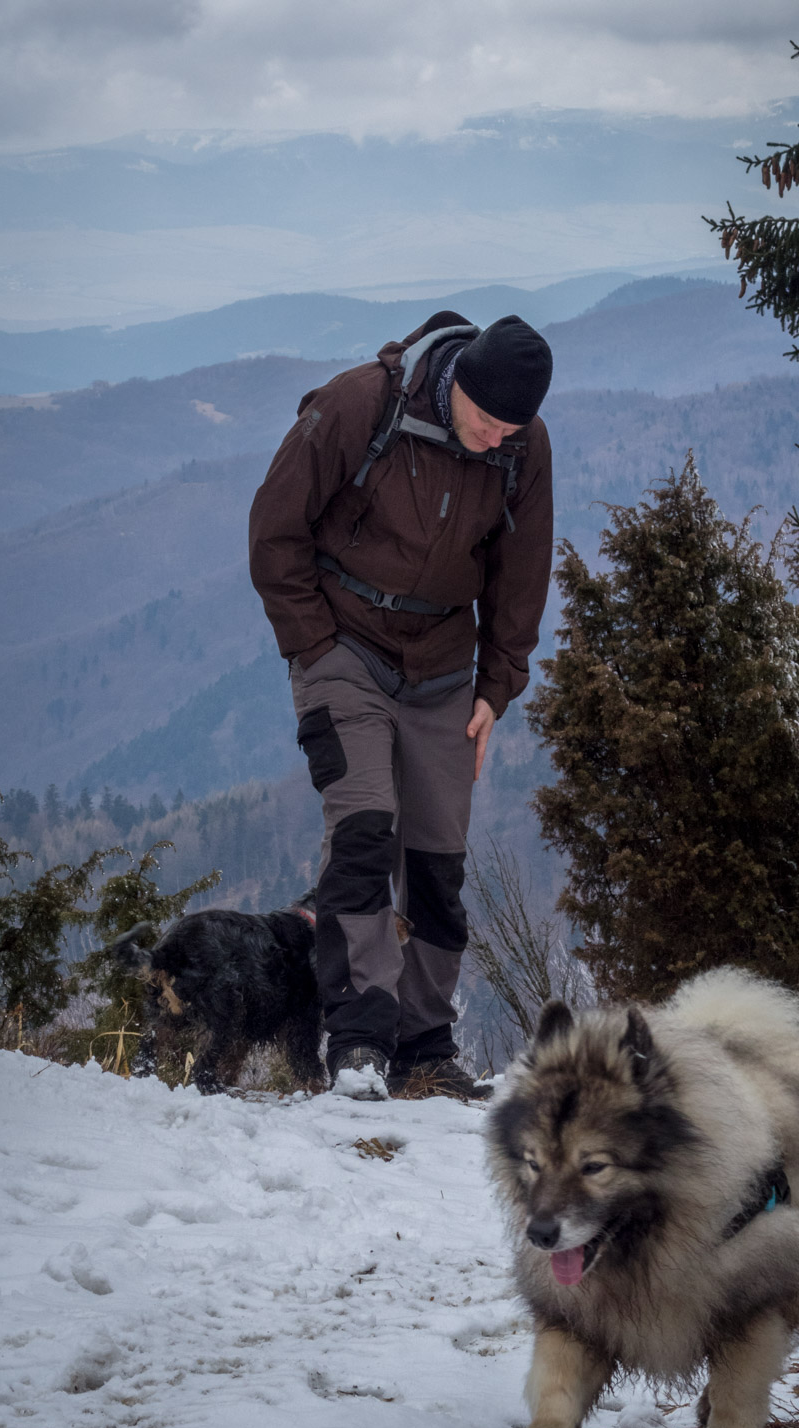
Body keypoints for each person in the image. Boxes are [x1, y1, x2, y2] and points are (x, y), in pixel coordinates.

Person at [248, 310, 553, 1099]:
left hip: (445, 668)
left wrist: (495, 689)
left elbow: (520, 575)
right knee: (362, 831)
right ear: (456, 387)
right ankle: (355, 1044)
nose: (495, 440)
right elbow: (273, 533)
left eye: (510, 429)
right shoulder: (358, 406)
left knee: (435, 861)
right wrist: (312, 646)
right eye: (485, 422)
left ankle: (423, 1047)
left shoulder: (522, 444)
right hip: (343, 646)